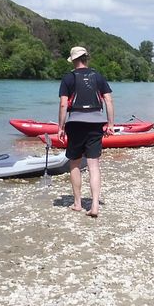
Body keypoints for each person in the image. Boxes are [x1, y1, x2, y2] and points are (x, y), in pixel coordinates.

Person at [57, 46, 114, 218]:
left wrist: (61, 127)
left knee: (74, 163)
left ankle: (77, 203)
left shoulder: (68, 78)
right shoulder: (98, 76)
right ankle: (95, 204)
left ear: (73, 60)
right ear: (86, 58)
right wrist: (110, 124)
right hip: (96, 123)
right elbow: (109, 101)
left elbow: (63, 104)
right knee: (93, 165)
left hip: (75, 124)